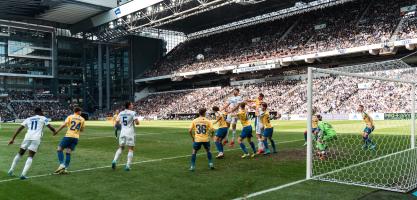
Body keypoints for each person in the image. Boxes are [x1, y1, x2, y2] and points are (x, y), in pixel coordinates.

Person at [7, 108, 56, 179]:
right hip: (36, 138)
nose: (43, 113)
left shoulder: (28, 118)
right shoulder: (43, 118)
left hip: (27, 137)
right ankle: (23, 174)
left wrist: (12, 139)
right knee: (30, 156)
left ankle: (11, 170)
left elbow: (19, 129)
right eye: (42, 111)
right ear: (40, 112)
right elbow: (50, 127)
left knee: (20, 153)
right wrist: (54, 131)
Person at [54, 107, 86, 174]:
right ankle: (65, 169)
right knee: (68, 152)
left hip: (68, 136)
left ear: (74, 111)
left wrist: (57, 131)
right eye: (80, 111)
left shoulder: (70, 117)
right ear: (78, 111)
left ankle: (62, 165)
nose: (81, 112)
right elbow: (82, 130)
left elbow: (63, 125)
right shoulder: (82, 119)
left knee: (59, 149)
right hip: (76, 138)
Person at [112, 102, 140, 171]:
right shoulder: (133, 113)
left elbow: (117, 123)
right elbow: (137, 123)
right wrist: (137, 122)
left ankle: (114, 160)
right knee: (131, 149)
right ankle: (127, 166)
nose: (132, 105)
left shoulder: (121, 113)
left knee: (121, 147)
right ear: (129, 106)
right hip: (130, 132)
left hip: (122, 132)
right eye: (131, 104)